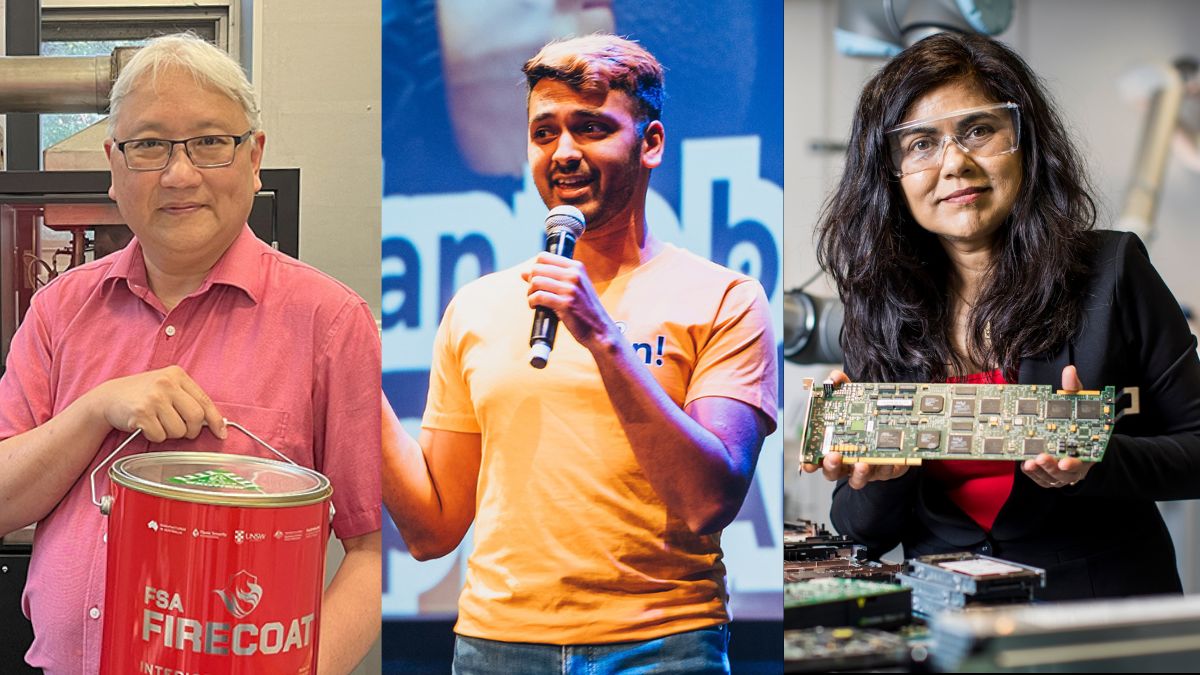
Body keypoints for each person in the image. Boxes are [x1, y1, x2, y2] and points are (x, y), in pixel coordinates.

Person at [384, 34, 777, 674]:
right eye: (544, 133)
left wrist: (602, 337)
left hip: (662, 646)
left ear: (650, 143)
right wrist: (352, 377)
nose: (564, 153)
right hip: (496, 648)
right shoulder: (476, 306)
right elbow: (433, 531)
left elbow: (708, 501)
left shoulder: (725, 298)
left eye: (590, 128)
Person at [0, 34, 381, 673]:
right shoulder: (58, 311)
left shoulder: (329, 322)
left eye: (210, 141)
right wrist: (94, 410)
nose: (180, 173)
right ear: (113, 165)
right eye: (148, 145)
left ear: (254, 156)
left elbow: (376, 554)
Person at [805, 31, 1200, 600]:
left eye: (979, 131)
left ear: (1024, 143)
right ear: (890, 173)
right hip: (947, 624)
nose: (954, 164)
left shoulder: (1111, 270)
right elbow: (859, 529)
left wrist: (1094, 458)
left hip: (1099, 616)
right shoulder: (880, 305)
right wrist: (884, 473)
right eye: (920, 144)